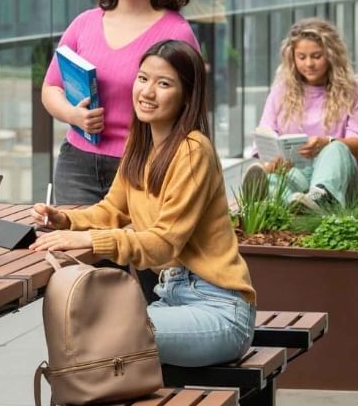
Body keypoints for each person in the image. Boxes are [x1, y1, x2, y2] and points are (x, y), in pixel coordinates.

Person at [31, 40, 255, 368]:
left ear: (187, 96)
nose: (147, 92)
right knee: (89, 338)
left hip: (218, 309)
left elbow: (164, 243)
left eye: (163, 83)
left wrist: (89, 239)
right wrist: (64, 220)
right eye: (143, 78)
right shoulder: (142, 144)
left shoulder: (193, 151)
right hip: (172, 299)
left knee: (101, 341)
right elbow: (111, 210)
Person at [41, 0, 199, 206]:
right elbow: (51, 87)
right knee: (71, 249)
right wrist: (73, 115)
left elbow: (190, 107)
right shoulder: (83, 23)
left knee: (125, 250)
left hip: (143, 164)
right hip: (77, 164)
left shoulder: (177, 33)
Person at [242, 18, 358, 211]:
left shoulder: (356, 90)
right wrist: (272, 161)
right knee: (276, 178)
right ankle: (280, 203)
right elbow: (266, 135)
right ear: (292, 58)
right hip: (296, 174)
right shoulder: (281, 91)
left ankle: (319, 198)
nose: (309, 64)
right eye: (302, 57)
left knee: (334, 147)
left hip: (341, 180)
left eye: (316, 56)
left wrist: (326, 142)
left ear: (331, 55)